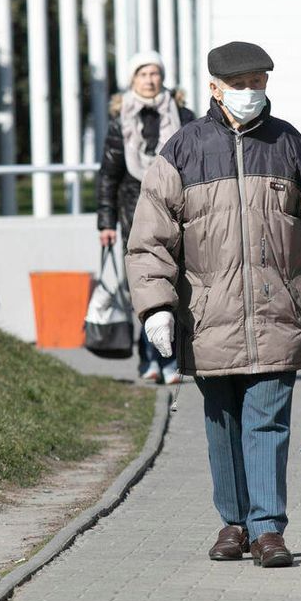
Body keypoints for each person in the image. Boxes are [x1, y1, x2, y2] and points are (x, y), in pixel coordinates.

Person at [126, 41, 301, 567]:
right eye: (240, 85)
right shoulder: (183, 150)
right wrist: (157, 308)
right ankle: (233, 520)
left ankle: (267, 529)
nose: (251, 93)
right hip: (208, 318)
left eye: (259, 83)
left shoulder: (290, 146)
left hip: (276, 313)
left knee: (267, 422)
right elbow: (150, 240)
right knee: (222, 425)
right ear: (215, 88)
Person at [97, 51, 195, 384]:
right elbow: (108, 176)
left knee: (177, 285)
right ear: (132, 79)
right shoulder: (119, 120)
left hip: (176, 212)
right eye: (143, 74)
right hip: (133, 214)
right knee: (144, 284)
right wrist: (106, 223)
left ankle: (173, 360)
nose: (150, 80)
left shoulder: (183, 116)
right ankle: (149, 360)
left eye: (154, 73)